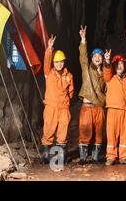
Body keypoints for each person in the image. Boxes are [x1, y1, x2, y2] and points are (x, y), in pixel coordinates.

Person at [41, 35, 74, 164]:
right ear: (53, 63)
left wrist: (66, 102)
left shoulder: (69, 75)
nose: (59, 64)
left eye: (61, 62)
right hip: (51, 107)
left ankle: (59, 157)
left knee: (62, 133)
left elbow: (71, 92)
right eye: (56, 62)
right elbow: (46, 61)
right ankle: (46, 155)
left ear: (64, 62)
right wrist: (49, 48)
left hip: (64, 108)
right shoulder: (48, 73)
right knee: (48, 129)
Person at [77, 26, 106, 165]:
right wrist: (83, 40)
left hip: (99, 106)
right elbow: (83, 57)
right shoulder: (87, 70)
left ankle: (95, 158)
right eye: (95, 56)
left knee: (99, 133)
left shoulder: (106, 74)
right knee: (85, 131)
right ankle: (83, 157)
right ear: (92, 58)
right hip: (87, 106)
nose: (97, 58)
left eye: (100, 56)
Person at [103, 50, 126, 166]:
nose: (119, 66)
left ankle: (124, 156)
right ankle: (111, 156)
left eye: (121, 63)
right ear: (114, 66)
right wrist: (107, 61)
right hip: (113, 109)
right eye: (117, 64)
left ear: (124, 65)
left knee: (125, 134)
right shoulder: (110, 78)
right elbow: (106, 70)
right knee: (111, 134)